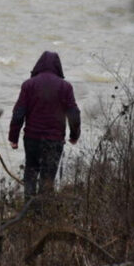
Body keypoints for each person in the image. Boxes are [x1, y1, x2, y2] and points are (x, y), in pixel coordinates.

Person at [9, 51, 81, 205]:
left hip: (32, 139)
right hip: (54, 140)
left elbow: (19, 112)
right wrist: (74, 135)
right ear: (58, 67)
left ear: (38, 65)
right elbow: (74, 113)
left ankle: (28, 210)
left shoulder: (29, 85)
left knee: (31, 172)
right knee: (48, 177)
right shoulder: (65, 87)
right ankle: (43, 215)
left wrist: (13, 138)